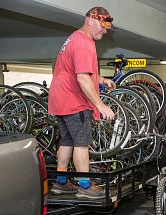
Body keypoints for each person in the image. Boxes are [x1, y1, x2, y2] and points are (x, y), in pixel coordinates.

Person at [48, 7, 116, 200]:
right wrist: (100, 104)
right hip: (74, 100)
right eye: (103, 26)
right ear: (91, 20)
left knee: (67, 140)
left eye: (107, 27)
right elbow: (82, 78)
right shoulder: (84, 43)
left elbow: (80, 70)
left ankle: (61, 182)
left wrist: (101, 79)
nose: (105, 31)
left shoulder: (74, 38)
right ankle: (85, 186)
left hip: (60, 99)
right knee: (82, 144)